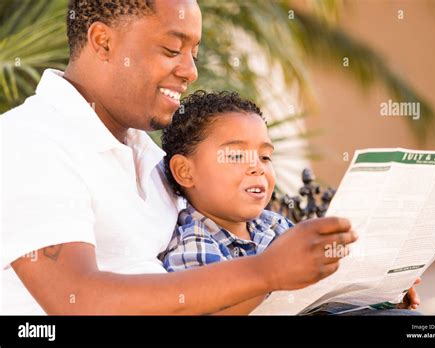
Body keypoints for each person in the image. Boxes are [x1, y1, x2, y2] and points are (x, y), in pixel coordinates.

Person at [0, 0, 357, 315]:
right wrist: (267, 272)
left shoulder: (152, 157)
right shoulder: (30, 140)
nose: (190, 71)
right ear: (103, 42)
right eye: (172, 50)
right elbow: (77, 301)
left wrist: (351, 286)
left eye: (194, 54)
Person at [158, 90, 421, 315]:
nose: (257, 168)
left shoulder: (273, 225)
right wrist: (272, 275)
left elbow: (322, 293)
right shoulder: (192, 243)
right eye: (236, 155)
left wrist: (377, 293)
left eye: (265, 157)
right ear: (185, 171)